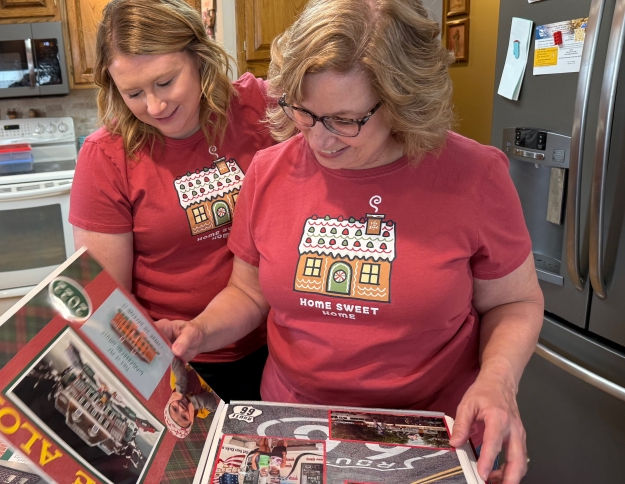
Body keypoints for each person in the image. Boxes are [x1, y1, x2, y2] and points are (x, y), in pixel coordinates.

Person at [159, 1, 543, 483]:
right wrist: (202, 330)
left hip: (428, 433)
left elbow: (515, 301)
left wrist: (499, 380)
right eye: (304, 112)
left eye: (346, 120)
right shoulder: (268, 170)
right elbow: (249, 291)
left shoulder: (474, 175)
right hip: (292, 426)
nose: (320, 140)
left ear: (404, 99)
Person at [69, 0, 275, 401]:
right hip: (176, 361)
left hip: (277, 345)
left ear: (199, 57)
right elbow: (110, 298)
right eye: (133, 93)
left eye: (165, 82)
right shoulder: (106, 156)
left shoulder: (258, 109)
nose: (155, 106)